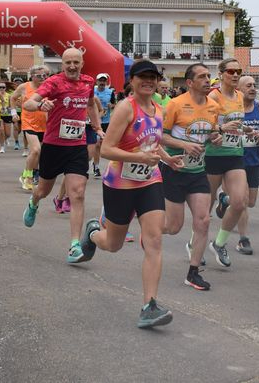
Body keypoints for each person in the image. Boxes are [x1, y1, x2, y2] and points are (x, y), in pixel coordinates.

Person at [82, 60, 183, 328]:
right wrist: (137, 156)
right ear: (132, 81)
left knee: (154, 240)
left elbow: (152, 143)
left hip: (150, 181)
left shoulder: (158, 109)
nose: (149, 81)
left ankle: (149, 306)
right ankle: (93, 232)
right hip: (119, 184)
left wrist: (167, 159)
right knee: (113, 245)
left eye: (153, 77)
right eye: (143, 77)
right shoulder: (127, 108)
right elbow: (106, 150)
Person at [21, 48, 102, 265]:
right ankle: (33, 202)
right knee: (43, 190)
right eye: (68, 63)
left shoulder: (88, 82)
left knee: (78, 193)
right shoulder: (54, 83)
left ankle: (75, 245)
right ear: (62, 64)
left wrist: (96, 127)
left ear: (82, 63)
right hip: (53, 146)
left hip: (76, 146)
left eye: (76, 62)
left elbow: (91, 104)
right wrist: (41, 104)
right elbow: (27, 104)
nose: (72, 66)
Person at [161, 63, 221, 290]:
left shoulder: (213, 107)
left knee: (203, 221)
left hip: (197, 172)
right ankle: (150, 229)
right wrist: (185, 145)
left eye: (209, 76)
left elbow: (211, 133)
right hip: (174, 169)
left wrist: (215, 138)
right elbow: (161, 137)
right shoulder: (175, 105)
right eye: (203, 77)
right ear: (189, 82)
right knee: (174, 227)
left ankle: (193, 272)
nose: (208, 80)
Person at [207, 58, 249, 268]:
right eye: (231, 71)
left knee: (240, 202)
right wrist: (220, 130)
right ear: (221, 73)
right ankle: (193, 243)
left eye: (238, 71)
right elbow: (205, 127)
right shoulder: (213, 96)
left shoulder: (240, 96)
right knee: (204, 209)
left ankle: (219, 243)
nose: (235, 75)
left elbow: (238, 125)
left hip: (234, 153)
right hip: (213, 155)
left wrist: (251, 132)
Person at [236, 75, 259, 255]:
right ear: (239, 89)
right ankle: (243, 239)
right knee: (241, 201)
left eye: (254, 86)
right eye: (248, 85)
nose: (253, 88)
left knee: (251, 202)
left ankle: (226, 201)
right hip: (236, 159)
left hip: (254, 159)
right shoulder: (234, 109)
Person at [11, 65, 48, 192]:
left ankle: (26, 175)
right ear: (32, 76)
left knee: (39, 154)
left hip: (44, 124)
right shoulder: (24, 87)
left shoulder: (47, 87)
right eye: (39, 76)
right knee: (36, 150)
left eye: (44, 75)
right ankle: (28, 177)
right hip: (28, 122)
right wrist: (13, 113)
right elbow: (13, 98)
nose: (42, 78)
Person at [92, 73, 116, 178]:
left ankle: (96, 163)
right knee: (97, 144)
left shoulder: (110, 92)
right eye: (100, 81)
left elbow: (114, 104)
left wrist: (112, 105)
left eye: (104, 81)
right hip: (93, 121)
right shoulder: (92, 91)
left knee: (103, 145)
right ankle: (96, 167)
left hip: (105, 122)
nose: (102, 83)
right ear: (96, 82)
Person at [0, 82, 13, 151]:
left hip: (7, 115)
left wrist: (8, 109)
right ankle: (2, 147)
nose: (2, 88)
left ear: (5, 88)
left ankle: (5, 139)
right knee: (1, 130)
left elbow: (10, 105)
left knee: (8, 133)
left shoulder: (8, 95)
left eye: (3, 87)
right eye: (0, 87)